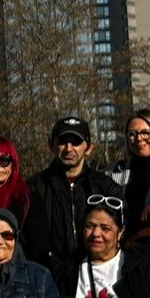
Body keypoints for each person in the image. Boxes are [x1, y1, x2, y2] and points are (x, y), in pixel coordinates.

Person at [23, 116, 123, 283]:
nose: (69, 148)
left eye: (76, 142)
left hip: (97, 279)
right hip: (48, 282)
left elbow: (119, 233)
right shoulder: (32, 188)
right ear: (51, 145)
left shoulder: (106, 188)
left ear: (89, 148)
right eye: (63, 142)